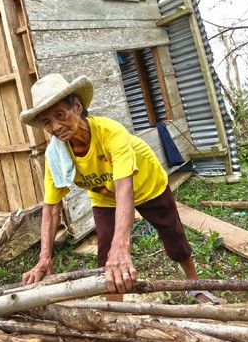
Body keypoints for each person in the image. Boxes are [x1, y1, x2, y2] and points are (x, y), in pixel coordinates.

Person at [19, 73, 213, 302]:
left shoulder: (110, 132)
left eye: (60, 115)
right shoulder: (56, 155)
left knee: (173, 236)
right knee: (106, 255)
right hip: (105, 197)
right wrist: (45, 258)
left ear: (78, 107)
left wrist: (121, 248)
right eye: (47, 122)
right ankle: (116, 314)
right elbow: (51, 208)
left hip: (147, 184)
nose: (56, 127)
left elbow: (124, 189)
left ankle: (195, 286)